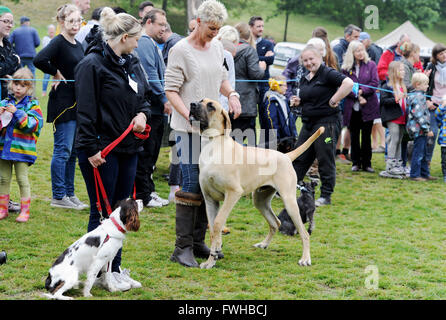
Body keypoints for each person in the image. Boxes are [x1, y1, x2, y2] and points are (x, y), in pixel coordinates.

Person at [74, 6, 151, 290]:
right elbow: (85, 111)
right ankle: (98, 273)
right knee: (103, 213)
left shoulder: (130, 62)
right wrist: (92, 148)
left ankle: (114, 269)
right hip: (100, 152)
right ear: (124, 37)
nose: (137, 44)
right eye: (136, 38)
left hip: (128, 148)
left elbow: (142, 97)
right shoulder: (91, 65)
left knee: (123, 210)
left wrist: (143, 115)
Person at [165, 0, 241, 268]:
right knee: (190, 183)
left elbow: (221, 77)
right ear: (198, 22)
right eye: (211, 28)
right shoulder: (180, 50)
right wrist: (188, 115)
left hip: (212, 133)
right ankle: (181, 247)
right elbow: (171, 90)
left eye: (218, 29)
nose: (214, 33)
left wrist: (231, 94)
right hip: (186, 129)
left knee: (205, 185)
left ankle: (197, 242)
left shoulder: (217, 46)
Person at [34, 4, 87, 210]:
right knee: (62, 150)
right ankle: (58, 195)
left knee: (73, 152)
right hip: (62, 104)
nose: (75, 25)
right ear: (62, 22)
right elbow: (40, 59)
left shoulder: (78, 44)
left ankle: (69, 193)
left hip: (77, 103)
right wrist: (55, 72)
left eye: (78, 21)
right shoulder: (58, 42)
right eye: (71, 21)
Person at [292, 45, 354, 207]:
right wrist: (299, 101)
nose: (308, 63)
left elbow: (348, 83)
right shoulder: (306, 77)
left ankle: (326, 195)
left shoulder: (327, 73)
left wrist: (334, 99)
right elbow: (310, 96)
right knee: (300, 155)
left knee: (325, 158)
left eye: (311, 59)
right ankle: (289, 188)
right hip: (309, 122)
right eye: (305, 60)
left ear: (319, 57)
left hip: (327, 122)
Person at [134, 8, 170, 208]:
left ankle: (148, 190)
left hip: (156, 108)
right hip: (153, 109)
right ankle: (144, 195)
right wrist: (165, 98)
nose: (163, 28)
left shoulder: (152, 43)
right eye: (160, 24)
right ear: (148, 22)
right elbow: (150, 74)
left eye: (165, 25)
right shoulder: (146, 43)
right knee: (147, 153)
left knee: (152, 153)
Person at [0, 68, 43, 222]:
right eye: (16, 84)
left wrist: (17, 112)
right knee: (3, 179)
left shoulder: (33, 105)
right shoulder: (5, 102)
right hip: (3, 149)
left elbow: (33, 125)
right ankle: (2, 208)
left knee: (21, 179)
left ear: (29, 88)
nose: (18, 88)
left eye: (22, 85)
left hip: (22, 150)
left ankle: (25, 211)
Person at [341, 40, 380, 173]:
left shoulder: (371, 65)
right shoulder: (346, 69)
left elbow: (374, 83)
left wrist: (362, 91)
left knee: (366, 136)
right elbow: (344, 86)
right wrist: (357, 95)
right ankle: (356, 162)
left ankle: (367, 163)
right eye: (357, 51)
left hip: (368, 106)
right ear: (352, 53)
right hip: (352, 107)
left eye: (362, 50)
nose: (361, 53)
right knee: (354, 136)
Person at [0, 6, 22, 214]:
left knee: (3, 153)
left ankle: (3, 199)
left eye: (11, 22)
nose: (10, 25)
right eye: (6, 21)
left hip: (6, 104)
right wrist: (11, 63)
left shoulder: (7, 44)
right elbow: (8, 66)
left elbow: (13, 68)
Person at [233, 22, 265, 146]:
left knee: (232, 138)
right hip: (246, 102)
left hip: (230, 98)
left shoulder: (228, 49)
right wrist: (261, 68)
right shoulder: (249, 50)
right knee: (250, 142)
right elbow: (255, 74)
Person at [406, 73, 435, 181]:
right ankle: (415, 174)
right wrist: (426, 129)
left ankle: (424, 173)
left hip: (421, 130)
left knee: (423, 152)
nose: (427, 86)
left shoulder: (420, 96)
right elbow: (418, 114)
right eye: (425, 84)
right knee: (418, 152)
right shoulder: (418, 97)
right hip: (419, 130)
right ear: (417, 84)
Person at [379, 61, 407, 176]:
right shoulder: (388, 86)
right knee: (394, 139)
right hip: (392, 117)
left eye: (403, 70)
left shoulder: (402, 86)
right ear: (394, 72)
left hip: (402, 117)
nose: (403, 72)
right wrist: (396, 99)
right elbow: (384, 101)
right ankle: (390, 166)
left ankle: (398, 164)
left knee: (399, 140)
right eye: (400, 70)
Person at [249, 16, 275, 131]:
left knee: (266, 116)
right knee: (250, 117)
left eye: (262, 26)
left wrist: (254, 58)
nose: (261, 29)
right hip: (251, 85)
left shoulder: (268, 44)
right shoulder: (247, 43)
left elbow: (271, 60)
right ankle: (252, 144)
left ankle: (267, 145)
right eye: (258, 26)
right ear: (251, 27)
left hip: (264, 85)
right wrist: (263, 58)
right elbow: (247, 60)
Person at [262, 75, 298, 154]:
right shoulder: (272, 100)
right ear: (276, 85)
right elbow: (272, 122)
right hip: (279, 140)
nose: (286, 88)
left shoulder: (283, 99)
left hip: (286, 138)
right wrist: (276, 139)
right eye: (285, 85)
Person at [425, 43, 446, 167]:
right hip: (434, 105)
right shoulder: (431, 66)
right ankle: (426, 162)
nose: (444, 55)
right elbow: (425, 84)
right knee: (431, 134)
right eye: (441, 53)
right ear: (436, 56)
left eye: (445, 52)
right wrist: (427, 100)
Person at [41, 24, 56, 96]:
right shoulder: (45, 39)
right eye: (50, 31)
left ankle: (53, 91)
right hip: (47, 62)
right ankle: (44, 91)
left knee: (55, 77)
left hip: (55, 62)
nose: (51, 32)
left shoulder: (56, 39)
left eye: (53, 31)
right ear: (48, 31)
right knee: (46, 77)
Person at [434, 95, 446, 183]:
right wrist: (443, 104)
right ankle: (445, 175)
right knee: (444, 160)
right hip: (444, 141)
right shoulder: (443, 111)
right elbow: (436, 115)